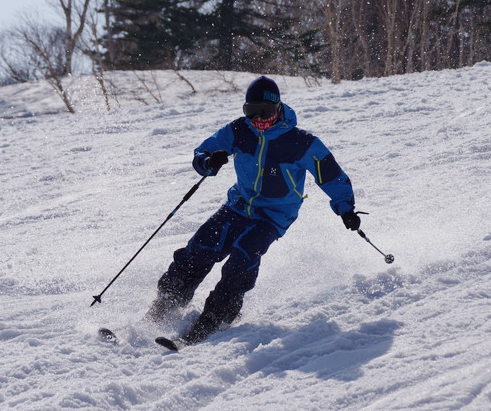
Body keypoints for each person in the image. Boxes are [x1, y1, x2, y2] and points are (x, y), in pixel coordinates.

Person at [147, 76, 362, 345]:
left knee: (243, 257)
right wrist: (208, 161)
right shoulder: (238, 130)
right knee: (201, 247)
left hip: (273, 216)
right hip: (238, 206)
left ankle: (214, 319)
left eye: (266, 111)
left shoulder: (301, 142)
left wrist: (345, 209)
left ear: (278, 108)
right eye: (252, 111)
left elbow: (330, 175)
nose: (259, 118)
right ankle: (162, 308)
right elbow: (204, 152)